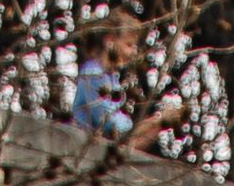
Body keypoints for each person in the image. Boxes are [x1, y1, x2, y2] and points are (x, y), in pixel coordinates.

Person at [72, 11, 181, 151]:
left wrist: (160, 124)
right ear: (109, 41)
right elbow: (115, 128)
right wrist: (157, 119)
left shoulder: (111, 80)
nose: (133, 53)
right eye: (129, 45)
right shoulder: (93, 75)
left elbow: (127, 143)